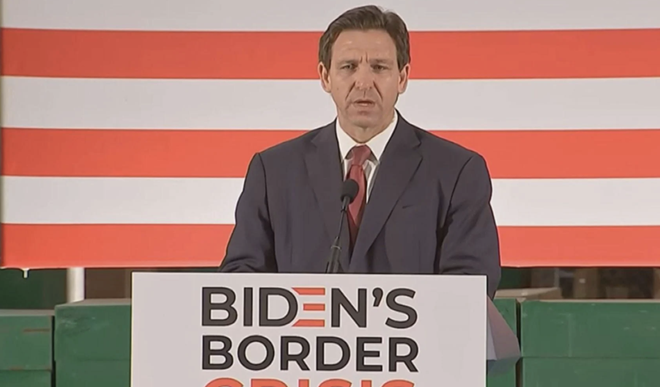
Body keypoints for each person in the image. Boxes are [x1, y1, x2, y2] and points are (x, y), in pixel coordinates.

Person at [219, 5, 501, 298]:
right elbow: (241, 282)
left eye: (379, 67)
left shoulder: (456, 171)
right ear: (325, 77)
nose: (364, 83)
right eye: (348, 66)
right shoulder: (273, 171)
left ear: (402, 78)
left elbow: (471, 288)